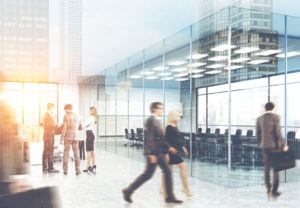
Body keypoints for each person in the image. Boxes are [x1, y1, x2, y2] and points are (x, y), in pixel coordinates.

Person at [122, 102, 183, 204]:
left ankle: (169, 196)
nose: (162, 110)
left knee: (162, 172)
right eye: (161, 108)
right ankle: (128, 191)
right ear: (154, 109)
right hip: (154, 153)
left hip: (159, 152)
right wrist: (150, 153)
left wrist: (169, 147)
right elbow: (149, 138)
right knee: (149, 175)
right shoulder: (151, 120)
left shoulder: (157, 121)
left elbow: (160, 139)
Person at [256, 102, 288, 198]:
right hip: (275, 147)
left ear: (265, 108)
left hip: (264, 147)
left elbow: (258, 134)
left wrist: (260, 144)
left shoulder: (259, 119)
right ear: (273, 108)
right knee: (276, 168)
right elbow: (278, 132)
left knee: (266, 167)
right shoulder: (276, 117)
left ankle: (268, 188)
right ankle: (274, 191)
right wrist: (284, 145)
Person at [0, 100, 29, 195]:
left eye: (7, 118)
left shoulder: (23, 142)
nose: (5, 123)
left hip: (10, 188)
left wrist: (21, 180)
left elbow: (25, 166)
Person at [162, 110, 192, 197]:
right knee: (182, 167)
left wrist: (183, 147)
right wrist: (167, 151)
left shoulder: (174, 126)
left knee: (168, 171)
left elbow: (178, 139)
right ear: (173, 116)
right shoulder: (169, 127)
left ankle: (163, 189)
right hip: (171, 151)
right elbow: (166, 140)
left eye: (180, 116)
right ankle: (185, 188)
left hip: (174, 150)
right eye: (178, 116)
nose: (179, 118)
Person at [60, 104, 81, 175]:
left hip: (68, 137)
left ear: (66, 109)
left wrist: (61, 138)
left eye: (65, 109)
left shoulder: (66, 116)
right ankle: (77, 170)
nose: (65, 111)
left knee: (66, 153)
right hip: (76, 137)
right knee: (76, 153)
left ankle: (65, 170)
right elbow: (80, 127)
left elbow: (64, 128)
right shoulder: (77, 115)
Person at [42, 103, 59, 174]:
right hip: (49, 135)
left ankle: (45, 167)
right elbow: (49, 125)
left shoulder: (47, 115)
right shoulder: (47, 115)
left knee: (46, 150)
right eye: (53, 108)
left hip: (48, 135)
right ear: (51, 108)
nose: (54, 110)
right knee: (49, 151)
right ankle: (50, 168)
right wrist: (55, 125)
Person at [83, 107, 97, 174]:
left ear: (91, 111)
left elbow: (84, 125)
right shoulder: (94, 118)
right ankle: (93, 165)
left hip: (89, 134)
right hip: (91, 134)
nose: (88, 112)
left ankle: (88, 167)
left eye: (89, 111)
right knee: (92, 151)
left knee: (88, 151)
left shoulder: (91, 118)